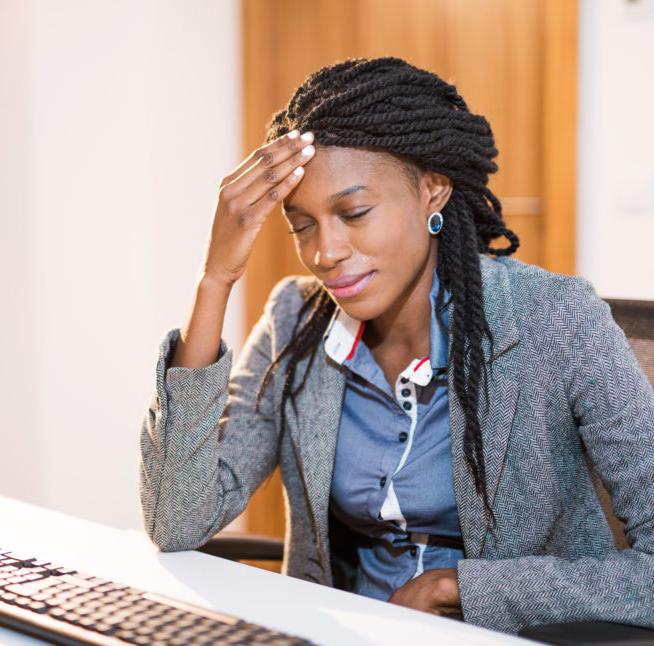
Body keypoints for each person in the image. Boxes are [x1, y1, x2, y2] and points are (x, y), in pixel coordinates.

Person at [138, 57, 654, 634]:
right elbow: (176, 519)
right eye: (301, 224)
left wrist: (456, 587)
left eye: (354, 212)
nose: (324, 252)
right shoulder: (295, 320)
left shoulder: (556, 320)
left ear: (432, 191)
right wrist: (216, 279)